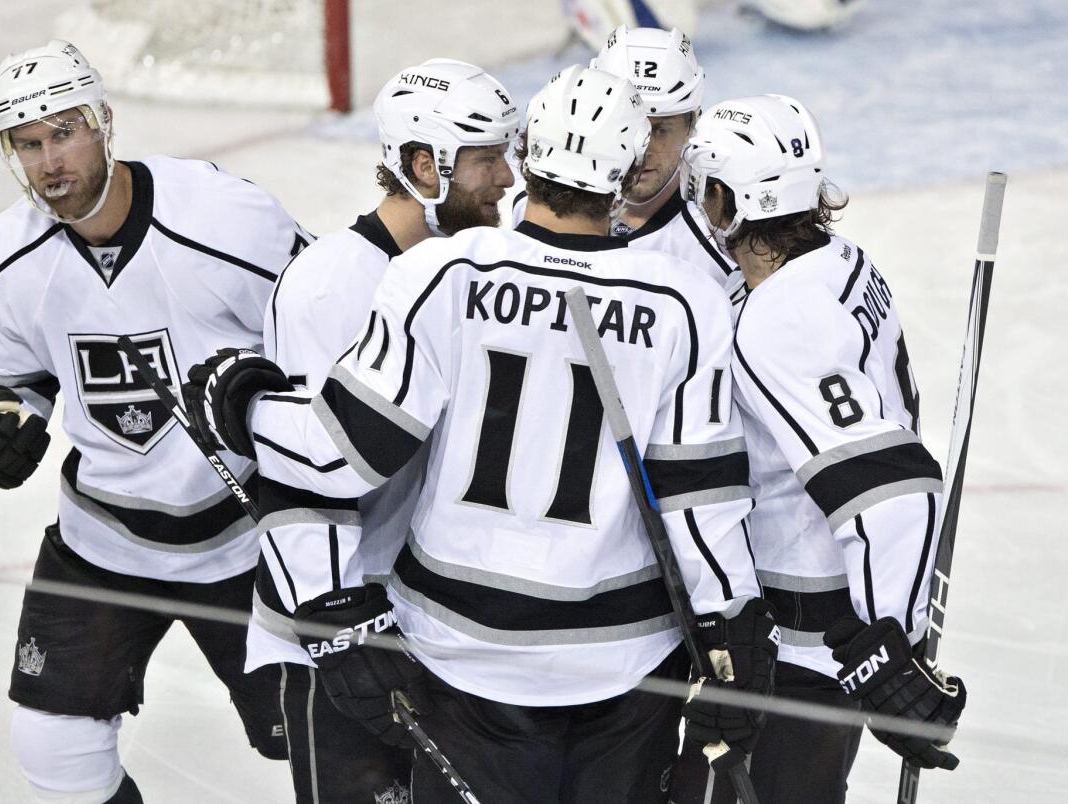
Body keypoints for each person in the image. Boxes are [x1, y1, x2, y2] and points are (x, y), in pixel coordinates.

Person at [186, 65, 776, 804]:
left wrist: (243, 403)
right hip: (627, 663)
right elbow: (701, 497)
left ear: (530, 159)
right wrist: (734, 623)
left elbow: (338, 454)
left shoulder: (444, 272)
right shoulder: (684, 301)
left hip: (465, 653)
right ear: (625, 172)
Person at [0, 39, 310, 803]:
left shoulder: (223, 218)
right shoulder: (10, 256)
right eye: (29, 144)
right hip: (103, 542)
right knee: (54, 747)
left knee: (323, 741)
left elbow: (327, 337)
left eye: (65, 132)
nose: (50, 162)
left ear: (106, 122)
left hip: (249, 540)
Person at [238, 58, 519, 804]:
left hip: (436, 624)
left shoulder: (481, 270)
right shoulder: (331, 284)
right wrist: (336, 625)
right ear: (425, 166)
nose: (507, 177)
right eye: (488, 158)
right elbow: (301, 470)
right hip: (346, 632)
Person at [674, 93, 967, 802]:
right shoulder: (839, 260)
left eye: (703, 186)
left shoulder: (782, 319)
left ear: (726, 200)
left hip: (801, 653)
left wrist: (883, 649)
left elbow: (890, 487)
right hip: (821, 645)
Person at [514, 25, 747, 304]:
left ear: (692, 125)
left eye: (660, 130)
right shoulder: (526, 205)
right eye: (626, 129)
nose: (642, 151)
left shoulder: (720, 246)